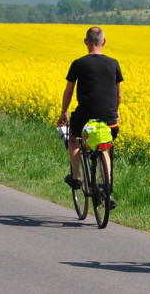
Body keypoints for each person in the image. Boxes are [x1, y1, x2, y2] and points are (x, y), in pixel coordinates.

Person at [57, 26, 122, 209]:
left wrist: (64, 113)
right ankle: (106, 189)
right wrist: (115, 111)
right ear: (104, 41)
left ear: (86, 41)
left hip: (84, 119)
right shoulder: (113, 63)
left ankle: (76, 178)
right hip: (109, 121)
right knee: (104, 149)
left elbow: (68, 92)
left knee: (73, 138)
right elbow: (119, 96)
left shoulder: (78, 63)